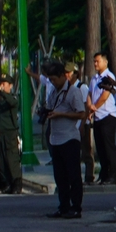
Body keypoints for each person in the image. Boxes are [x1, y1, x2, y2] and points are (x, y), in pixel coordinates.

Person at [42, 59, 90, 218]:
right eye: (50, 80)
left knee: (73, 175)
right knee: (60, 176)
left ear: (63, 76)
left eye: (54, 79)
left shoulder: (73, 92)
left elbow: (81, 113)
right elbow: (50, 107)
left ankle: (76, 207)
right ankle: (63, 206)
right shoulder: (54, 92)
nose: (53, 83)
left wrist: (61, 114)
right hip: (55, 138)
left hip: (69, 138)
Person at [85, 51, 116, 186]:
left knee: (109, 147)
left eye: (98, 61)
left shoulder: (109, 76)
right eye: (94, 61)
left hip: (107, 115)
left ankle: (113, 175)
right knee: (100, 148)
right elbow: (90, 93)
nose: (95, 63)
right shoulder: (94, 78)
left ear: (105, 62)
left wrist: (95, 106)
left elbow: (105, 95)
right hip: (97, 117)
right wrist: (90, 106)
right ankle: (104, 174)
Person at [0, 72, 25, 194]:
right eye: (0, 83)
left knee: (11, 159)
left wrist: (1, 91)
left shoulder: (12, 98)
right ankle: (5, 183)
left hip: (9, 134)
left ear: (10, 86)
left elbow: (12, 103)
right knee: (1, 160)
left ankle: (16, 184)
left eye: (4, 84)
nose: (1, 86)